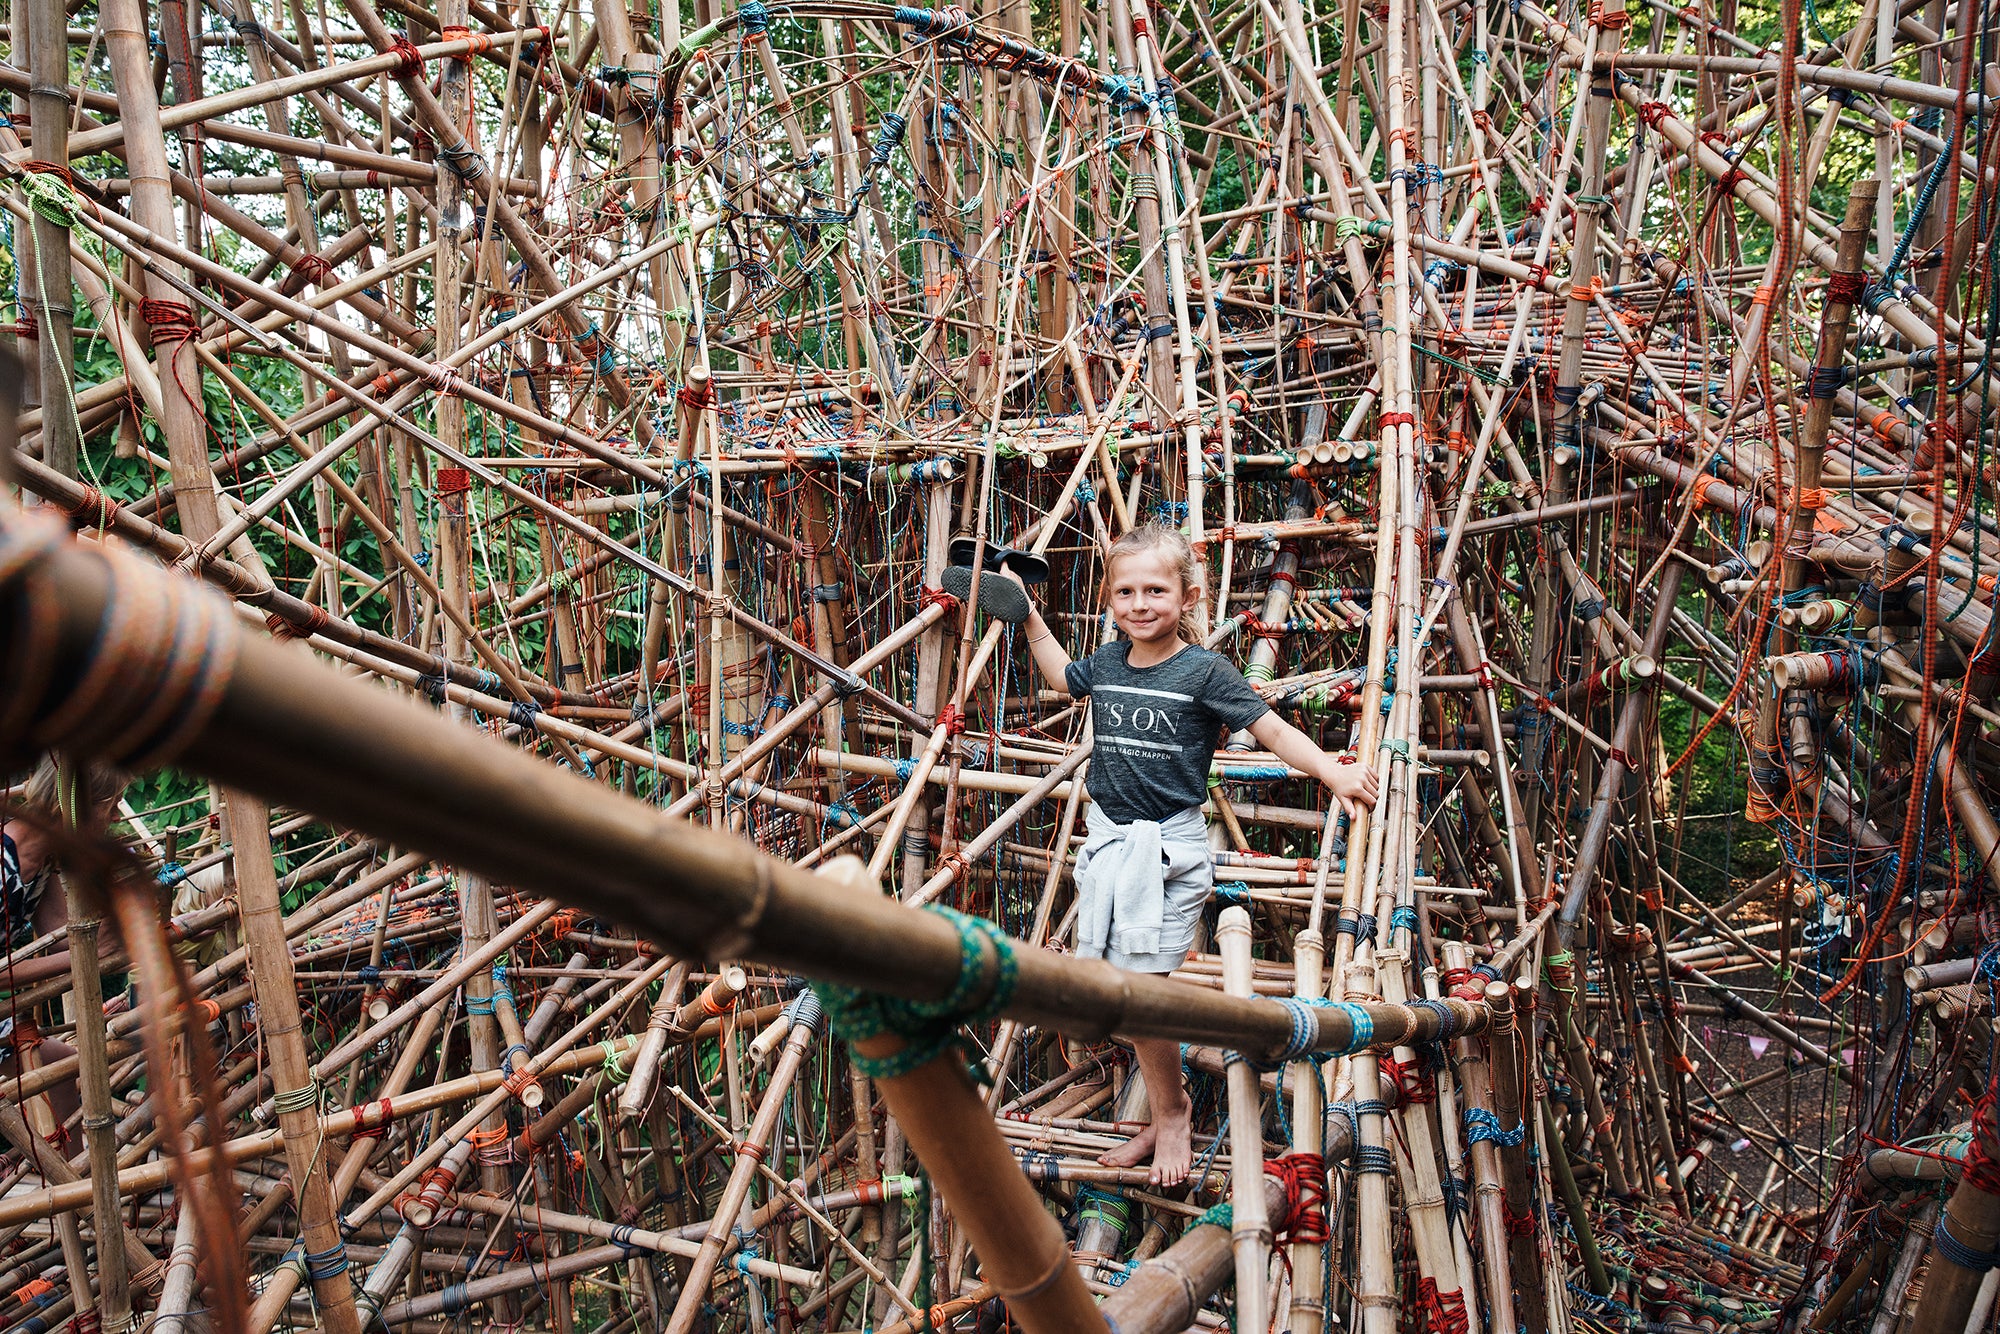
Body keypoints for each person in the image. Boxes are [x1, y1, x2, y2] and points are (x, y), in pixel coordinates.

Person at [1003, 522, 1379, 1185]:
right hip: (1110, 843)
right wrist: (1027, 611)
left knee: (1142, 991)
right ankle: (1160, 1109)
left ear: (1187, 595)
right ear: (1110, 598)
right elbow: (1063, 676)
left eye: (1155, 589)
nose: (1140, 604)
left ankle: (1172, 1115)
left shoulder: (1204, 670)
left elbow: (1269, 728)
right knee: (1112, 991)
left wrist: (1330, 770)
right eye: (1125, 592)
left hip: (1167, 852)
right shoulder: (1110, 664)